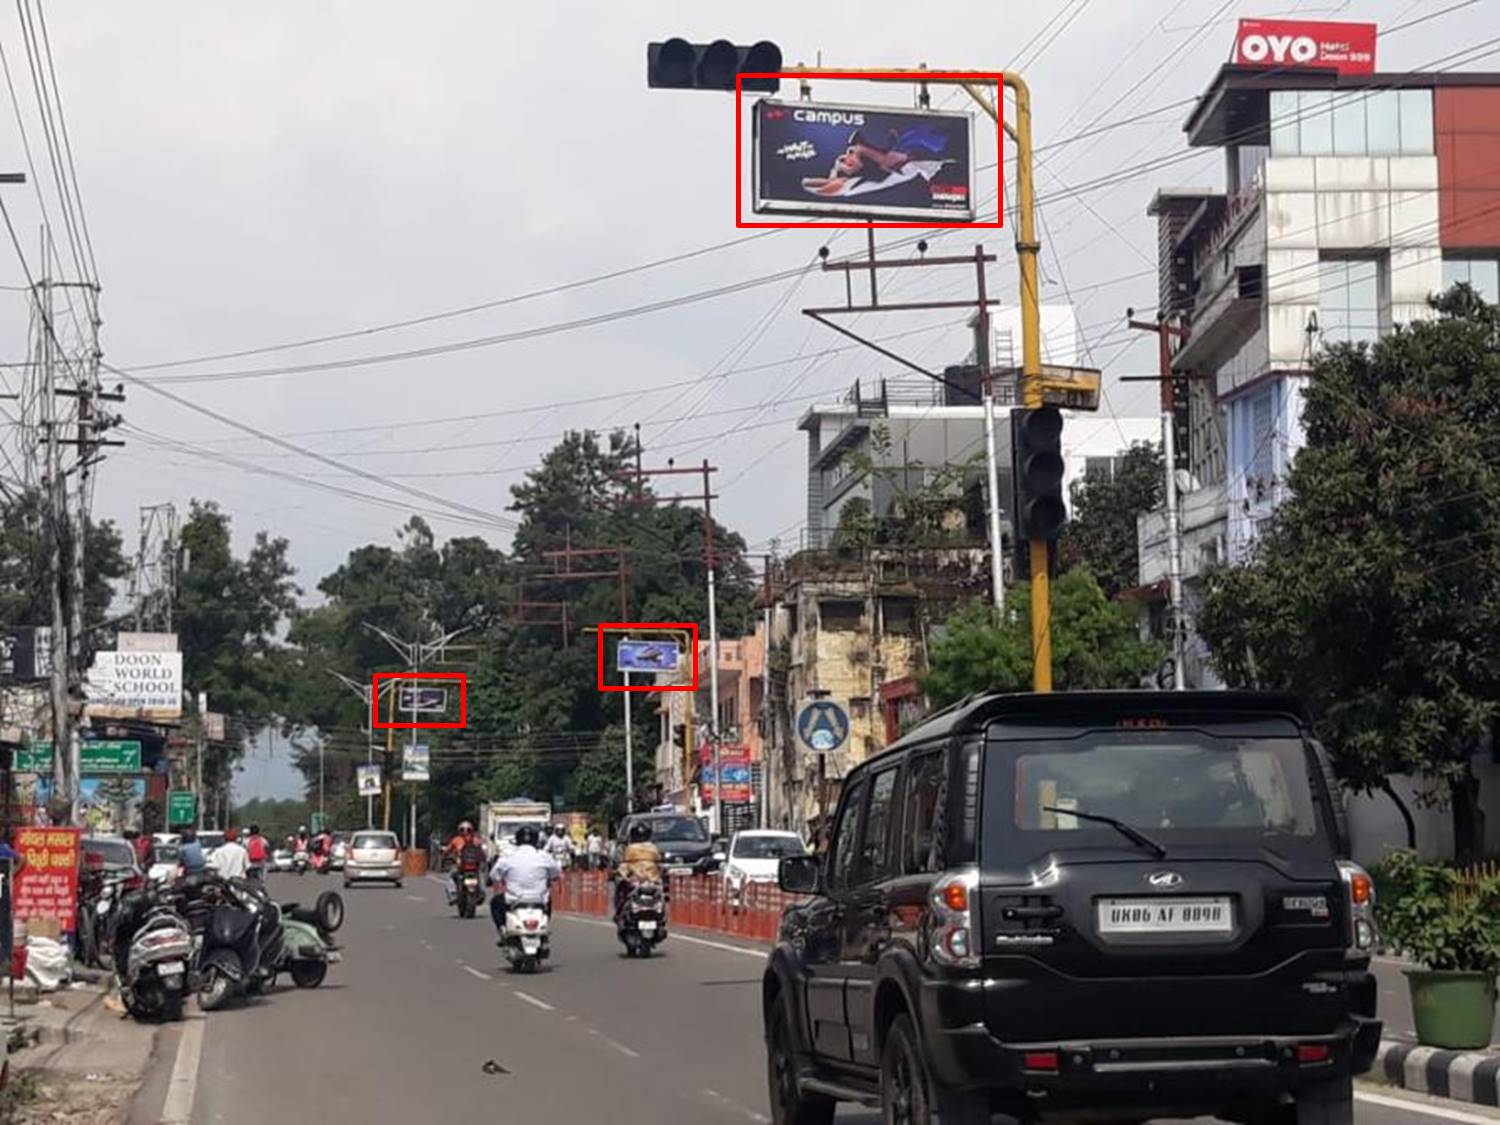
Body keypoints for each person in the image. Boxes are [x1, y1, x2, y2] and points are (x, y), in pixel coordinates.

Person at [487, 824, 560, 942]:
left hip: (514, 898)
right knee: (549, 900)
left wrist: (502, 878)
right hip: (539, 899)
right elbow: (556, 873)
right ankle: (544, 931)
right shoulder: (544, 856)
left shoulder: (508, 856)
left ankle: (502, 930)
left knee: (495, 903)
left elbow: (494, 875)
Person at [614, 820, 664, 918]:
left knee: (620, 889)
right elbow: (659, 861)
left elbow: (624, 864)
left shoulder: (630, 848)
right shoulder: (653, 847)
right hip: (650, 879)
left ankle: (618, 912)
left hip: (637, 879)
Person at [446, 821, 485, 900]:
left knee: (450, 876)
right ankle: (481, 892)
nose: (465, 832)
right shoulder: (476, 839)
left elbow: (448, 850)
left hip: (464, 867)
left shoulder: (456, 840)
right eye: (463, 830)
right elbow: (482, 851)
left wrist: (445, 855)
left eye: (467, 830)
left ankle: (453, 894)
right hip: (470, 867)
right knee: (480, 875)